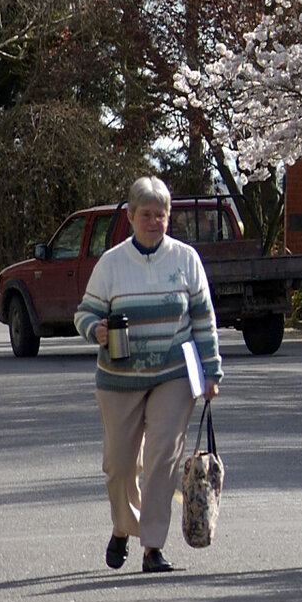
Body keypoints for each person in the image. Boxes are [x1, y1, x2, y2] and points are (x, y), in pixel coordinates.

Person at [74, 176, 224, 575]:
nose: (154, 222)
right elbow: (84, 313)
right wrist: (97, 330)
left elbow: (203, 320)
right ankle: (125, 527)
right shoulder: (112, 263)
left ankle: (152, 546)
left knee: (163, 460)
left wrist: (211, 372)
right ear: (130, 216)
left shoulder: (186, 258)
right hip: (119, 378)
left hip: (172, 375)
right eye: (146, 215)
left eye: (161, 215)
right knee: (120, 465)